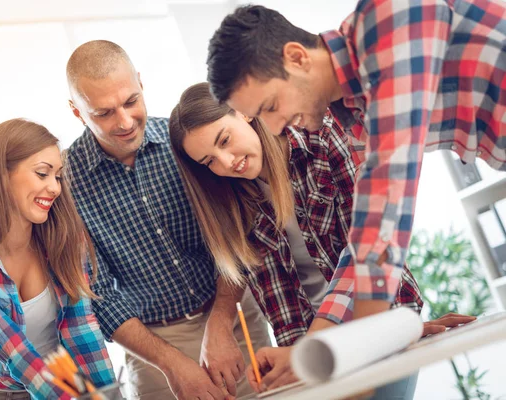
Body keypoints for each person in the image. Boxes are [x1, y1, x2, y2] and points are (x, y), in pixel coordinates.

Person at [168, 82, 476, 398]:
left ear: (244, 113)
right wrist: (298, 358)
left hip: (374, 325)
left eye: (225, 140)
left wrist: (397, 330)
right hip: (310, 351)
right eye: (209, 161)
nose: (226, 162)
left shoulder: (326, 137)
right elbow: (267, 288)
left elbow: (368, 250)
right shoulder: (232, 203)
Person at [206, 2, 502, 330]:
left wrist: (344, 339)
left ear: (297, 57)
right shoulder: (357, 116)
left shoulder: (391, 16)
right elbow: (364, 235)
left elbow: (388, 198)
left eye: (271, 106)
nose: (274, 128)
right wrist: (322, 337)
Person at [64, 40, 270, 400]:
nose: (125, 122)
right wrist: (172, 363)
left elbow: (234, 234)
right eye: (104, 113)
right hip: (151, 344)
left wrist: (221, 324)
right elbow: (96, 293)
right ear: (77, 111)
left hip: (231, 310)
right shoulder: (65, 183)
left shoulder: (189, 146)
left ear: (141, 84)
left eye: (131, 101)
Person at [0, 119, 116, 400]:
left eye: (58, 176)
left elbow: (82, 330)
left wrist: (107, 395)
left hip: (62, 378)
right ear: (0, 176)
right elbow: (15, 352)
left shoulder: (66, 241)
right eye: (42, 174)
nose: (54, 188)